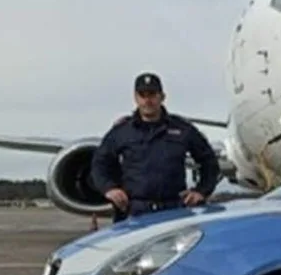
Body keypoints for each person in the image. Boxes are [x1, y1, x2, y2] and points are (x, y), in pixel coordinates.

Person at [91, 72, 221, 222]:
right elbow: (100, 163)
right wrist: (109, 188)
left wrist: (201, 191)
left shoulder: (182, 129)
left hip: (175, 210)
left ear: (162, 96)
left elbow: (209, 161)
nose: (148, 100)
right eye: (142, 95)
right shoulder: (122, 131)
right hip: (133, 211)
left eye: (152, 94)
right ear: (135, 97)